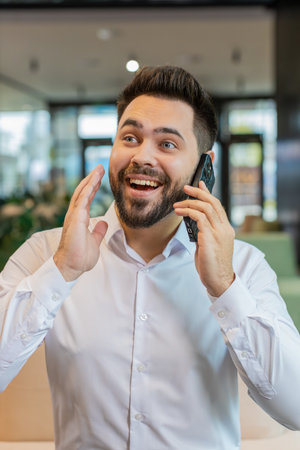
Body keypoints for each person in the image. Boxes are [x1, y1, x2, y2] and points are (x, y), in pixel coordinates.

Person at [0, 66, 300, 450]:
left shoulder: (243, 266)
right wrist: (62, 272)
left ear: (203, 166)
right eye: (130, 137)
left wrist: (225, 287)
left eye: (167, 144)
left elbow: (293, 408)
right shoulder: (47, 253)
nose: (142, 156)